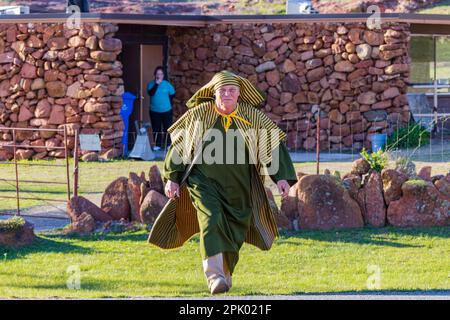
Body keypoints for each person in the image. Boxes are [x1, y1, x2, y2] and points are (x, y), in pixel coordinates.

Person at [148, 70, 297, 294]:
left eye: (231, 90)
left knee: (235, 229)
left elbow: (273, 146)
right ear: (213, 92)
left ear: (239, 94)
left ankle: (224, 276)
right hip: (204, 183)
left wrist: (282, 178)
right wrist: (172, 177)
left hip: (240, 186)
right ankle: (214, 276)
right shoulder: (198, 115)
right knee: (211, 219)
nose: (227, 94)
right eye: (222, 90)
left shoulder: (252, 117)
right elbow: (178, 148)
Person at [147, 66, 176, 150]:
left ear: (163, 75)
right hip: (154, 111)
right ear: (155, 75)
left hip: (166, 110)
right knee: (156, 128)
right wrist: (156, 84)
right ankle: (158, 144)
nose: (159, 75)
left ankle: (168, 144)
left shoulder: (167, 84)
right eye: (157, 74)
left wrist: (166, 103)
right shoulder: (151, 84)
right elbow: (151, 93)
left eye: (161, 74)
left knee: (167, 127)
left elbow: (172, 94)